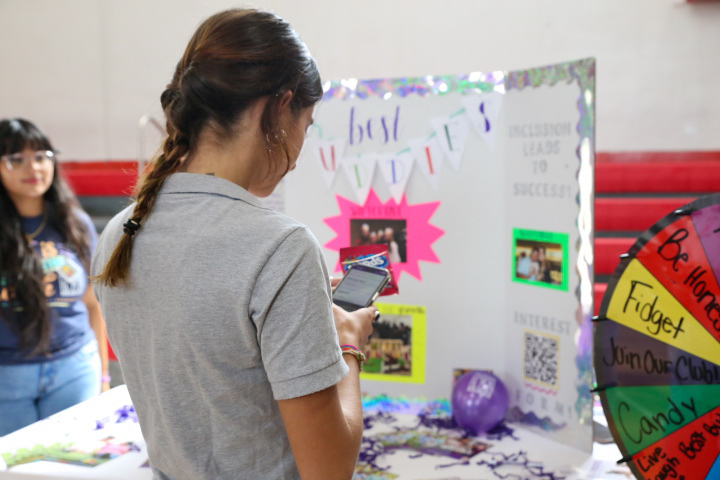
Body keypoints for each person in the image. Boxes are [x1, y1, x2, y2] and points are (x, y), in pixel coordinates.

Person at [91, 8, 376, 480]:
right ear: (279, 107)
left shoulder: (121, 231)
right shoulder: (281, 248)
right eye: (306, 124)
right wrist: (347, 345)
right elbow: (329, 470)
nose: (300, 153)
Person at [0, 118, 109, 436]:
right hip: (7, 375)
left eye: (41, 156)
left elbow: (93, 304)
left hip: (74, 367)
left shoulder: (74, 222)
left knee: (74, 465)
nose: (32, 167)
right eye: (15, 159)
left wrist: (103, 374)